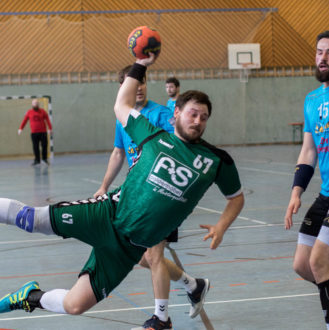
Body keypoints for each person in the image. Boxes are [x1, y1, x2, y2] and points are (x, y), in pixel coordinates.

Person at [0, 53, 244, 330]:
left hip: (129, 249)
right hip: (105, 215)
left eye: (204, 117)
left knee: (74, 305)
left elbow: (236, 198)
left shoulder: (217, 160)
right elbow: (121, 104)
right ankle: (163, 317)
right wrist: (141, 63)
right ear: (176, 112)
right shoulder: (152, 135)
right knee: (32, 220)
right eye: (193, 114)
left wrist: (222, 226)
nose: (198, 121)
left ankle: (29, 297)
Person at [94, 65, 207, 328]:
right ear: (125, 89)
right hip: (137, 196)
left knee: (154, 256)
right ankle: (193, 285)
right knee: (136, 254)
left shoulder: (161, 114)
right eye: (135, 84)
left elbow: (181, 145)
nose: (140, 87)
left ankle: (161, 317)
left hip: (161, 195)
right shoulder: (123, 118)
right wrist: (103, 186)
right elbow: (118, 153)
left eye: (142, 81)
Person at [285, 30, 329, 329]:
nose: (323, 58)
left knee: (319, 262)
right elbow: (308, 149)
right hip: (325, 193)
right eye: (319, 52)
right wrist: (296, 191)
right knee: (303, 265)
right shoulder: (312, 100)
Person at [18, 99, 52, 166]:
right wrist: (20, 128)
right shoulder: (29, 112)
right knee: (35, 147)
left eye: (37, 103)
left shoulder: (43, 111)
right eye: (34, 103)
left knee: (44, 146)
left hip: (43, 132)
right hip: (34, 133)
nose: (36, 104)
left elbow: (47, 119)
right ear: (32, 104)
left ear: (38, 104)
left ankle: (44, 159)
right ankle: (37, 160)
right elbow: (24, 121)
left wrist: (50, 128)